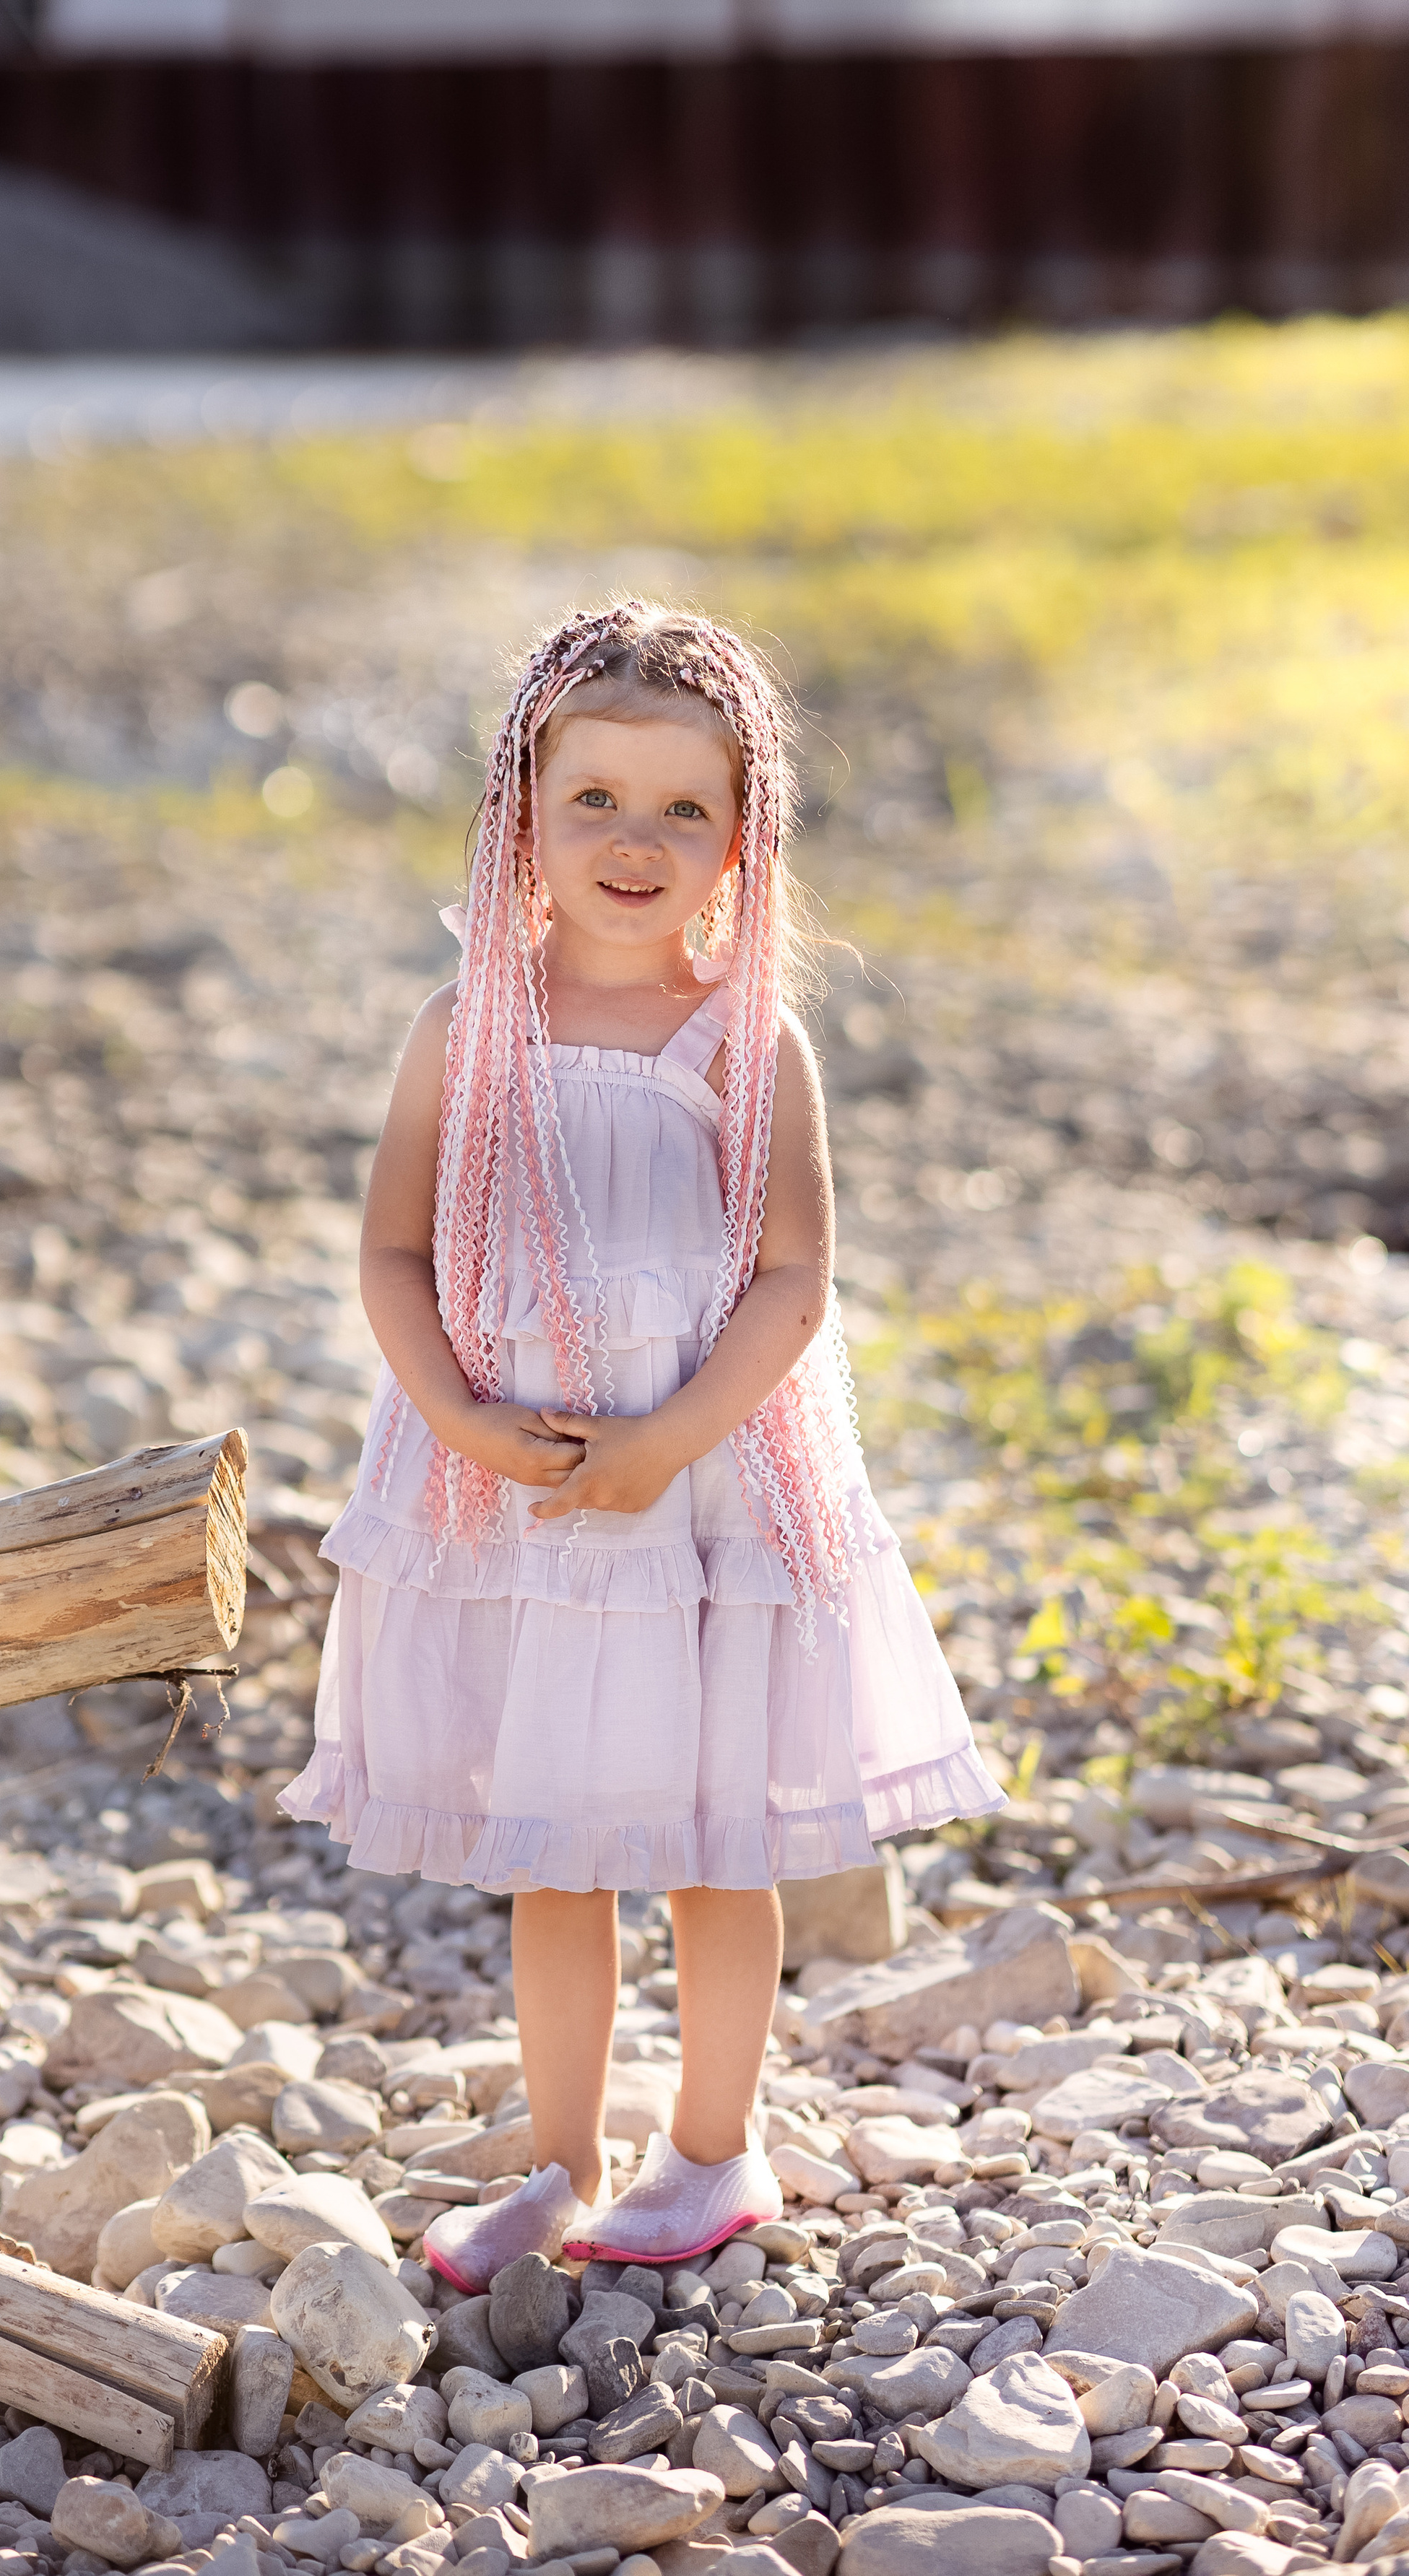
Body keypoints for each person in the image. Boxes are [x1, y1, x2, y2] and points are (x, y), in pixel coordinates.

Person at [278, 600, 1002, 2292]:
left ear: (741, 839)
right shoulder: (468, 1028)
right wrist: (457, 1412)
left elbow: (793, 1281)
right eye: (593, 798)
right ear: (519, 812)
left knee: (707, 1836)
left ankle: (710, 2147)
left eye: (682, 808)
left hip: (703, 1490)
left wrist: (672, 1439)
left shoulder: (749, 1046)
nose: (633, 841)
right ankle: (553, 2161)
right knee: (557, 1847)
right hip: (521, 1492)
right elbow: (389, 1251)